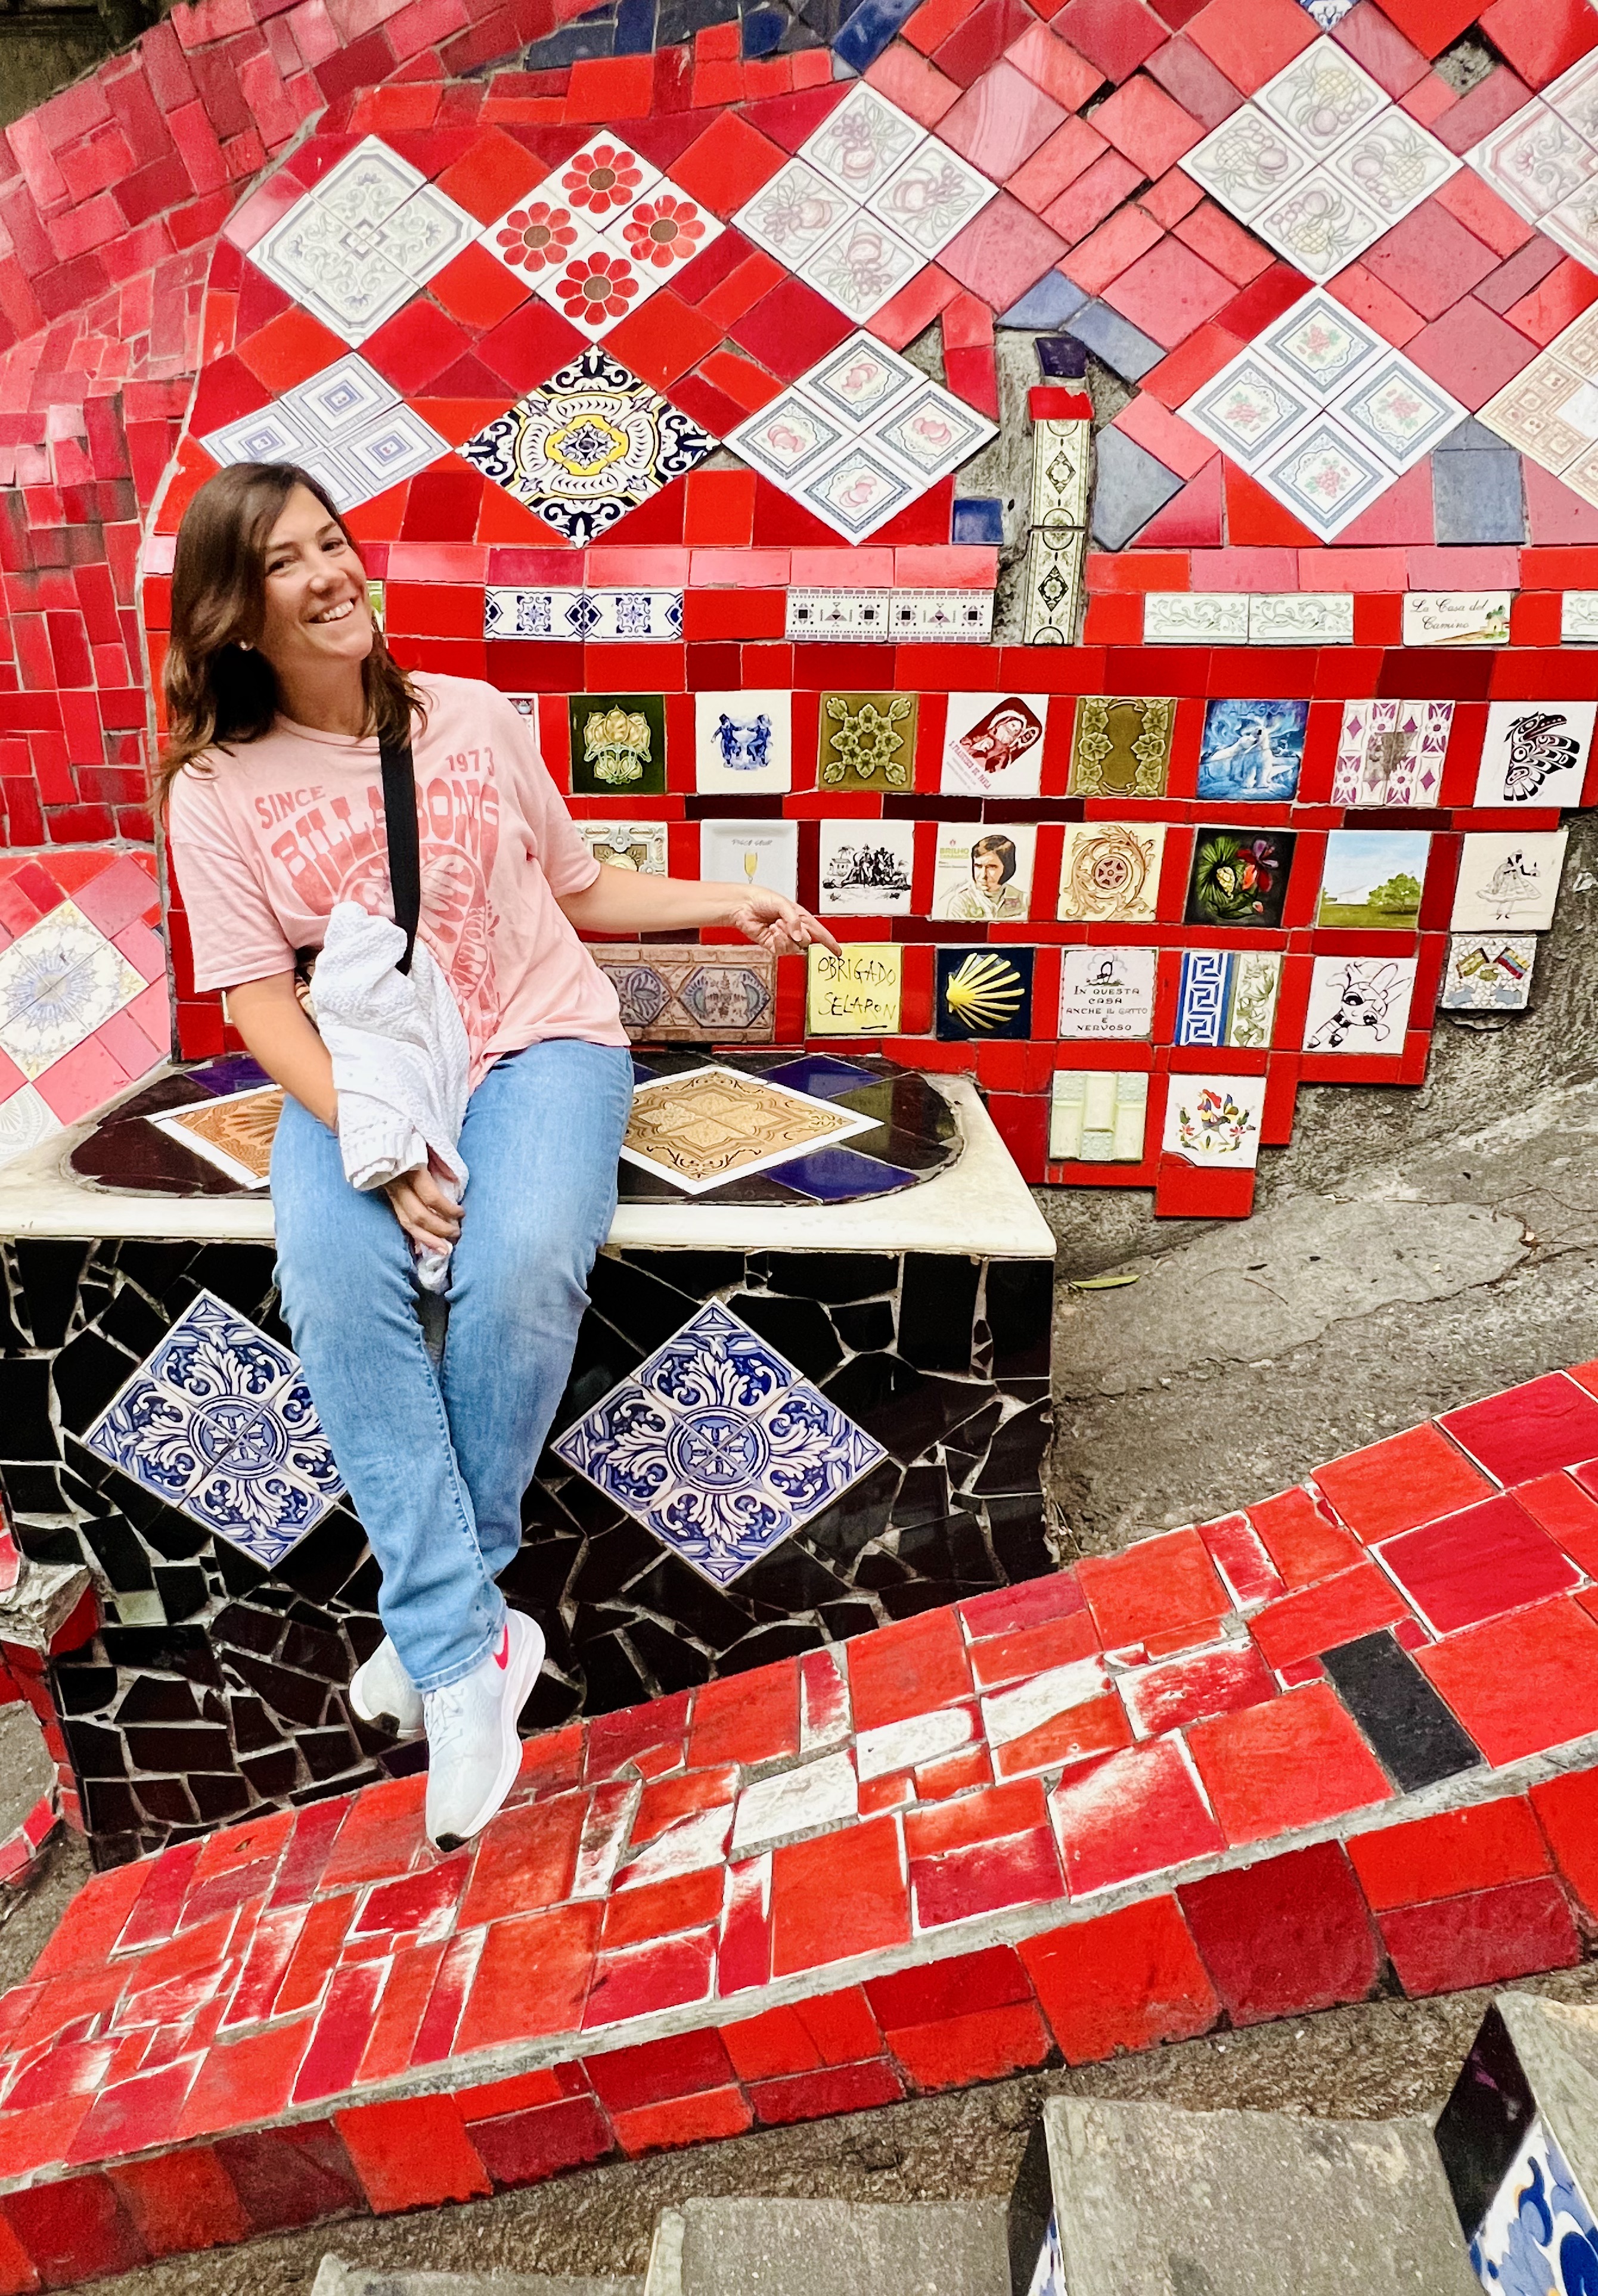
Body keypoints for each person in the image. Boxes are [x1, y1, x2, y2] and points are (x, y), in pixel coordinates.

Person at [156, 463, 838, 1850]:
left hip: (542, 1043)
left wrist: (725, 897)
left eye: (335, 541)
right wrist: (373, 1131)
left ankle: (439, 1641)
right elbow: (255, 1004)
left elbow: (577, 890)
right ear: (234, 614)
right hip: (369, 1074)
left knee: (518, 1260)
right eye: (289, 561)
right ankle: (474, 1651)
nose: (333, 573)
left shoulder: (467, 714)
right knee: (341, 1280)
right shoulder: (215, 790)